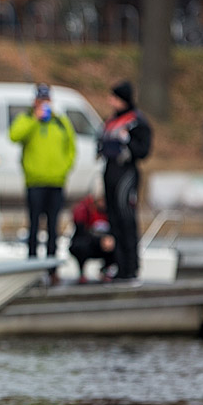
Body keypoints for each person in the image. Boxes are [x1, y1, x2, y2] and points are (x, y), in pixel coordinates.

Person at [8, 84, 76, 282]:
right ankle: (31, 267)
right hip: (34, 182)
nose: (44, 104)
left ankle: (52, 268)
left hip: (56, 181)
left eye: (47, 100)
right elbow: (14, 136)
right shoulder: (27, 120)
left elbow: (71, 148)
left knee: (53, 227)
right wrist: (34, 119)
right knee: (34, 225)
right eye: (40, 100)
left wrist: (64, 168)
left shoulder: (60, 122)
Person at [99, 80, 152, 282]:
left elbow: (144, 150)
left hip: (126, 174)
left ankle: (131, 267)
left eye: (114, 97)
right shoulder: (110, 120)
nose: (110, 101)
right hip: (110, 172)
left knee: (126, 219)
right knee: (113, 220)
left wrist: (127, 143)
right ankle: (118, 265)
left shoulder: (137, 121)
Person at [68, 193, 116, 282]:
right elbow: (80, 232)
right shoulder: (86, 210)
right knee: (80, 247)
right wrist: (99, 240)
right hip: (89, 243)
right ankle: (82, 272)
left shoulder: (110, 212)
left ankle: (106, 269)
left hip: (104, 245)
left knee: (115, 245)